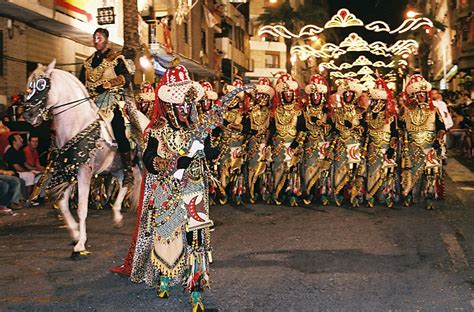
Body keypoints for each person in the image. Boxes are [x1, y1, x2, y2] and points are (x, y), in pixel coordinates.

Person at [131, 65, 216, 311]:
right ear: (169, 105)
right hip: (167, 190)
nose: (184, 109)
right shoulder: (158, 130)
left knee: (196, 239)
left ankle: (196, 288)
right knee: (167, 237)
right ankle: (165, 277)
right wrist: (170, 163)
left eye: (187, 105)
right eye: (179, 105)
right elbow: (148, 159)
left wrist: (211, 152)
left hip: (194, 189)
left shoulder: (200, 129)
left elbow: (209, 153)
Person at [79, 27, 134, 186]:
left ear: (107, 40)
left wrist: (107, 84)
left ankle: (127, 169)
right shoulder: (88, 62)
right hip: (91, 103)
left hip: (111, 101)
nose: (96, 41)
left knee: (118, 128)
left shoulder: (116, 58)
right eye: (95, 38)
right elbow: (81, 83)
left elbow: (126, 77)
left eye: (100, 38)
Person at [400, 74, 445, 209]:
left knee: (430, 173)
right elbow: (401, 128)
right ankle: (409, 195)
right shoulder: (407, 111)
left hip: (430, 145)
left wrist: (438, 139)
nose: (421, 96)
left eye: (423, 93)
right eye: (418, 93)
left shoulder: (434, 110)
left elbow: (441, 127)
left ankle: (429, 197)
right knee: (409, 171)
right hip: (412, 146)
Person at [301, 74, 335, 206]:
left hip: (323, 145)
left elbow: (332, 128)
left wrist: (326, 126)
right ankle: (308, 192)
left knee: (323, 170)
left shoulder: (327, 112)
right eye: (313, 95)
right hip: (309, 145)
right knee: (309, 169)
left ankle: (321, 193)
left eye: (318, 95)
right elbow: (302, 127)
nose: (316, 97)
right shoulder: (305, 111)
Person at [3, 133, 39, 199]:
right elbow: (17, 167)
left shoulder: (20, 151)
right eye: (19, 139)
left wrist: (35, 169)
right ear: (14, 142)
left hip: (22, 171)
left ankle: (35, 197)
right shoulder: (10, 152)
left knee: (39, 175)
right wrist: (30, 172)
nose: (22, 140)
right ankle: (27, 198)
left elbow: (25, 164)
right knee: (30, 175)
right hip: (15, 172)